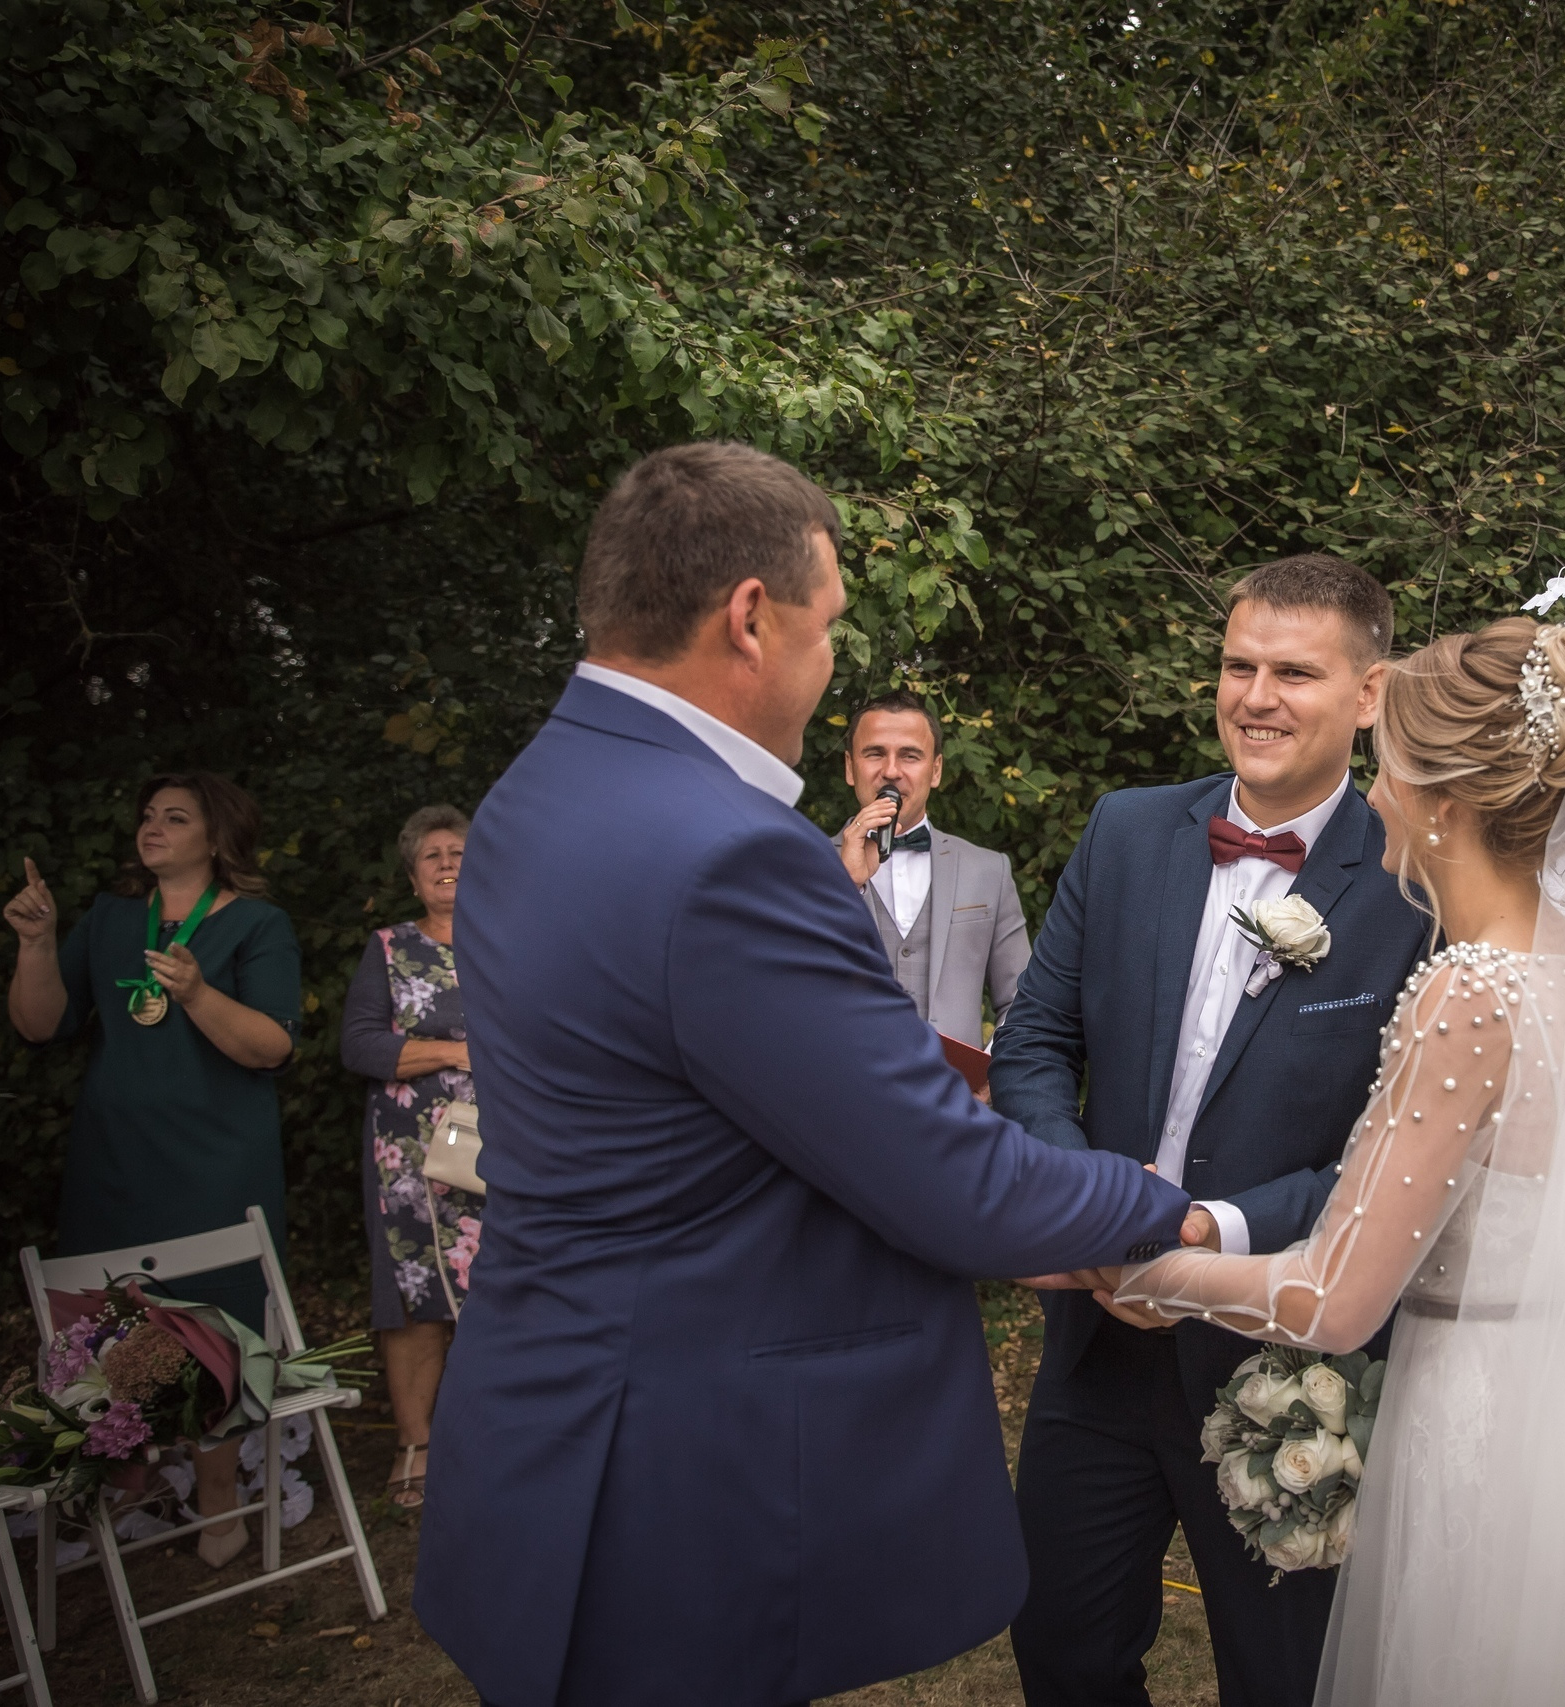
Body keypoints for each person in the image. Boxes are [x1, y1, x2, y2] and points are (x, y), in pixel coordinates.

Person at [413, 441, 1188, 1707]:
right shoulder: (732, 852)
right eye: (825, 628)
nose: (828, 668)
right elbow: (948, 1182)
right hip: (673, 1466)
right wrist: (1159, 1205)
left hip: (538, 1409)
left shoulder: (529, 793)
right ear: (750, 619)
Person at [1094, 618, 1565, 1706]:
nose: (1373, 793)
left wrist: (1143, 1271)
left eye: (1388, 769)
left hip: (1485, 1429)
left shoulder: (1470, 990)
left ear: (1443, 804)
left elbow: (1331, 1299)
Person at [990, 553, 1431, 1707]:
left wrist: (1201, 1229)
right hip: (1098, 1342)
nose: (1256, 698)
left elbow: (1401, 1153)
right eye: (1239, 666)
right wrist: (1092, 1209)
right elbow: (1032, 1044)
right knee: (1062, 1648)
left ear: (1369, 695)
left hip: (1284, 1366)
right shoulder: (1127, 830)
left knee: (1281, 1678)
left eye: (1294, 673)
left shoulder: (1414, 884)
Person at [2, 772, 303, 1570]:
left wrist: (198, 993)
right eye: (148, 815)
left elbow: (272, 1045)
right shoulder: (110, 918)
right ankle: (130, 1484)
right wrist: (37, 942)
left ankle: (218, 1500)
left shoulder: (257, 924)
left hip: (216, 1164)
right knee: (114, 1325)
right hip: (114, 1163)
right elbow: (40, 1024)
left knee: (218, 1326)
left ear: (218, 836)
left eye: (176, 816)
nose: (153, 826)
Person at [339, 803, 477, 1509]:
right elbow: (360, 1045)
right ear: (413, 876)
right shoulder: (390, 946)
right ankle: (416, 1447)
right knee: (416, 1292)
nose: (448, 864)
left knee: (508, 1289)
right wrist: (455, 1052)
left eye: (459, 852)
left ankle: (495, 1441)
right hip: (412, 1154)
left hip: (508, 1143)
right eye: (433, 855)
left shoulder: (516, 942)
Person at [832, 690, 1031, 1047]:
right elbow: (783, 987)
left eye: (909, 756)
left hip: (956, 1083)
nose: (891, 771)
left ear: (936, 770)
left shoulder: (989, 870)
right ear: (850, 767)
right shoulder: (805, 865)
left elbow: (1023, 999)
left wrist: (990, 1067)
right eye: (874, 753)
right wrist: (845, 884)